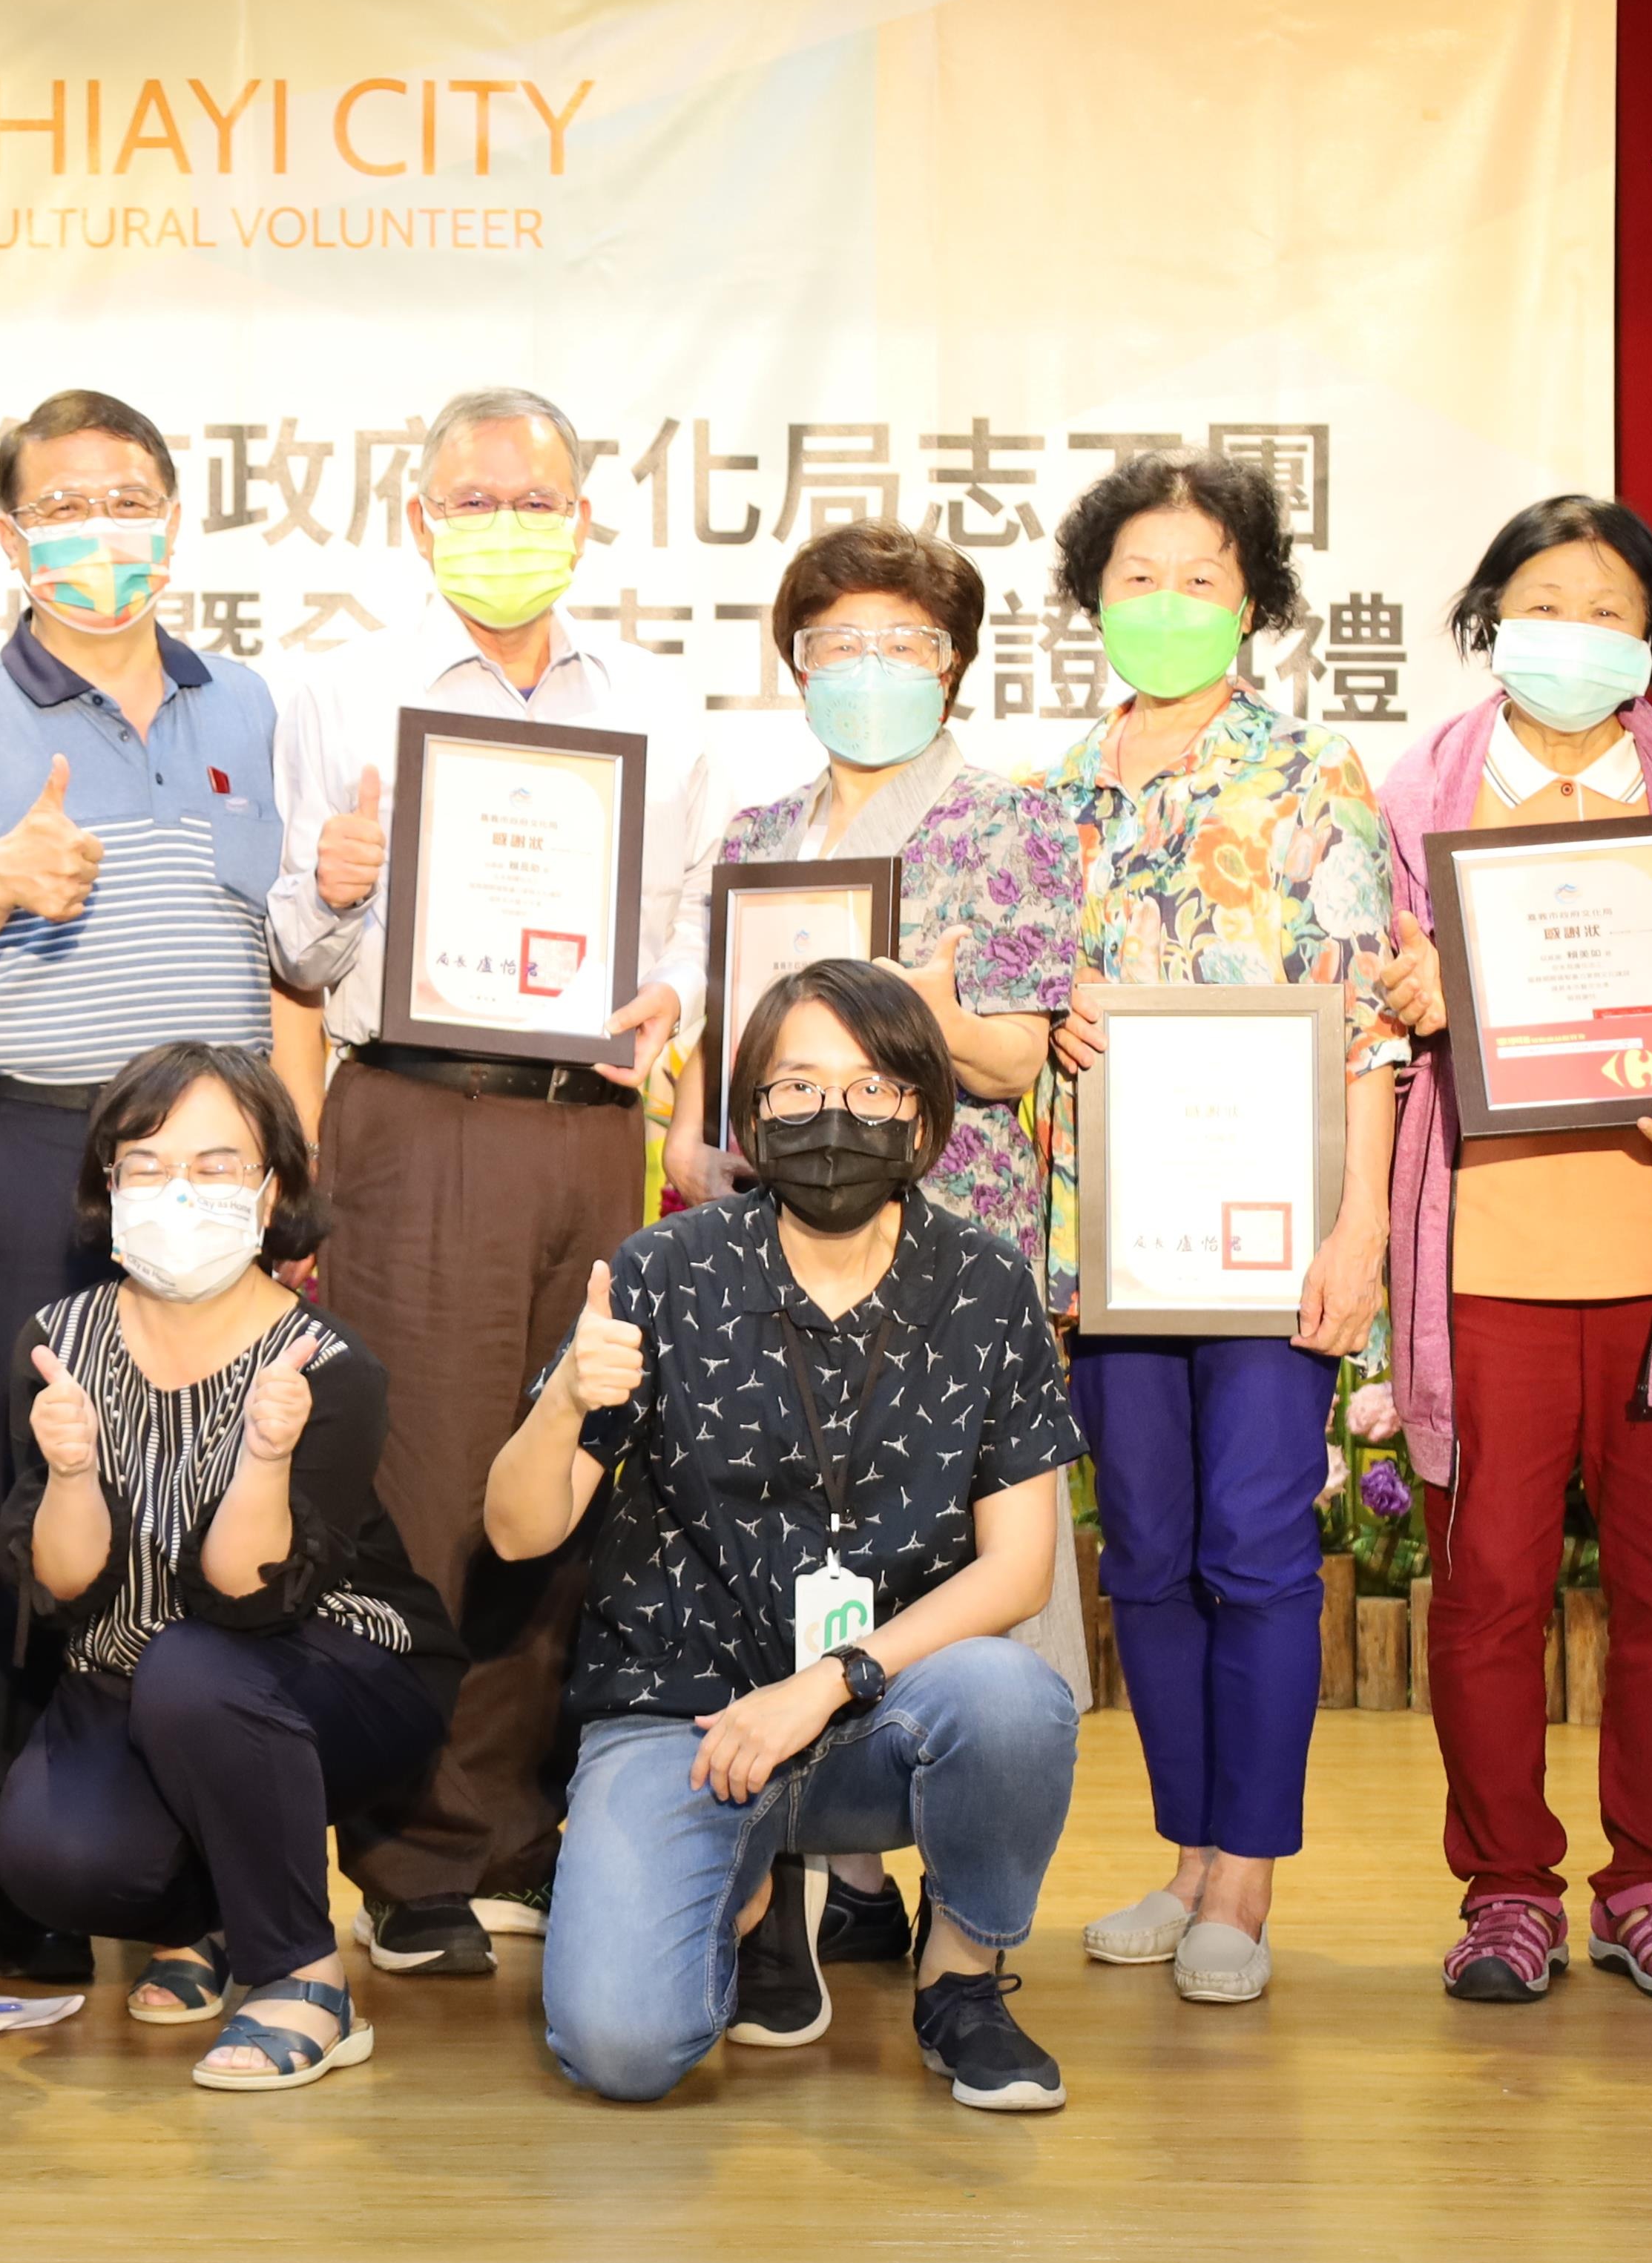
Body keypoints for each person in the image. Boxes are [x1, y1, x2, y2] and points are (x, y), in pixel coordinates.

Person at [266, 387, 697, 1983]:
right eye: (473, 499)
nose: (504, 523)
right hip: (417, 1111)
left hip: (590, 1127)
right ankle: (414, 1855)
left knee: (573, 1467)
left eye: (534, 500)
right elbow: (298, 946)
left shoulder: (657, 705)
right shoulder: (341, 690)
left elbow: (689, 919)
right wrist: (330, 888)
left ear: (583, 520)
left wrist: (679, 992)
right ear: (417, 519)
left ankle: (526, 1830)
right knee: (428, 1483)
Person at [489, 959, 1084, 2113]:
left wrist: (826, 1684)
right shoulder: (665, 1271)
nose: (833, 1116)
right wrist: (564, 1399)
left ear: (923, 1113)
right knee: (620, 2049)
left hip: (877, 1709)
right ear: (751, 1116)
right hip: (685, 1716)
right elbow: (518, 1533)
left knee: (1015, 1701)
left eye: (871, 1088)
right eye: (798, 1087)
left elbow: (1019, 1570)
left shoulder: (986, 1282)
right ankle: (745, 1884)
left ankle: (961, 1978)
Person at [0, 389, 286, 1983]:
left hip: (221, 1169)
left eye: (127, 500)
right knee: (21, 1497)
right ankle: (23, 1863)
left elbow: (286, 958)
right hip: (37, 1153)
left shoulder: (250, 706)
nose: (99, 530)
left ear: (173, 520)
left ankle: (195, 1878)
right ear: (8, 536)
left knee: (214, 1493)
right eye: (64, 505)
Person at [1362, 495, 1652, 2009]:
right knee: (1486, 1596)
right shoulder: (1419, 789)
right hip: (1482, 1263)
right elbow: (1365, 1006)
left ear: (1651, 638)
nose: (1577, 632)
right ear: (1493, 619)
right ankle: (1504, 1891)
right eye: (1546, 602)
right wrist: (1406, 996)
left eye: (1610, 609)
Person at [662, 515, 1087, 1968]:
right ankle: (834, 1875)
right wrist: (694, 1132)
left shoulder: (1010, 820)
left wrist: (914, 1011)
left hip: (942, 1245)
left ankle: (970, 1919)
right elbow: (728, 1041)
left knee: (964, 1563)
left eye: (903, 641)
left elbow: (1016, 1058)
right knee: (799, 1535)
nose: (868, 666)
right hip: (778, 1244)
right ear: (796, 661)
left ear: (953, 662)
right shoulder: (757, 834)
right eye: (837, 640)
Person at [1033, 448, 1396, 2009]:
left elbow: (1368, 1026)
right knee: (1148, 1556)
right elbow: (1008, 1010)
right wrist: (1049, 1010)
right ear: (1093, 598)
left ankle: (1245, 1878)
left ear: (1253, 603)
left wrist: (1360, 1231)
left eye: (1202, 578)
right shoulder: (1053, 794)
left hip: (1268, 1242)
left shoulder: (1312, 777)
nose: (1169, 602)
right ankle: (1187, 1856)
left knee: (1254, 1548)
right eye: (1139, 577)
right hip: (1110, 1246)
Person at [0, 1045, 457, 2089]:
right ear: (108, 1185)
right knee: (51, 1860)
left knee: (196, 1670)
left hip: (323, 1669)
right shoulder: (54, 1345)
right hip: (128, 1671)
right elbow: (62, 1585)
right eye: (147, 1166)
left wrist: (266, 1455)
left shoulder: (327, 1364)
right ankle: (203, 1914)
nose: (178, 1192)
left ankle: (303, 1975)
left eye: (214, 1166)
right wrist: (72, 1471)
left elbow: (249, 1600)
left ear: (271, 1190)